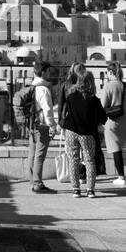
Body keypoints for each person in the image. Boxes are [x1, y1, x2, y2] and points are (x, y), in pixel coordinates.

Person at [60, 70, 107, 198]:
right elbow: (103, 118)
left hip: (71, 131)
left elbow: (67, 114)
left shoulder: (70, 97)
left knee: (73, 160)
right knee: (89, 161)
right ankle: (90, 190)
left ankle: (76, 189)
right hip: (87, 133)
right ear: (91, 83)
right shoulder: (94, 100)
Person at [27, 60, 57, 194]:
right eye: (49, 71)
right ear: (43, 72)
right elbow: (47, 111)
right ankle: (38, 184)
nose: (50, 74)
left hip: (32, 125)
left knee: (32, 154)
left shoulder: (31, 86)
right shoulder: (43, 89)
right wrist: (52, 126)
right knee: (39, 156)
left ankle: (33, 180)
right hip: (42, 126)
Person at [100, 61, 126, 188]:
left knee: (116, 149)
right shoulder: (124, 85)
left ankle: (121, 177)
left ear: (110, 72)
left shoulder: (108, 86)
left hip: (112, 122)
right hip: (124, 121)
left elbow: (103, 105)